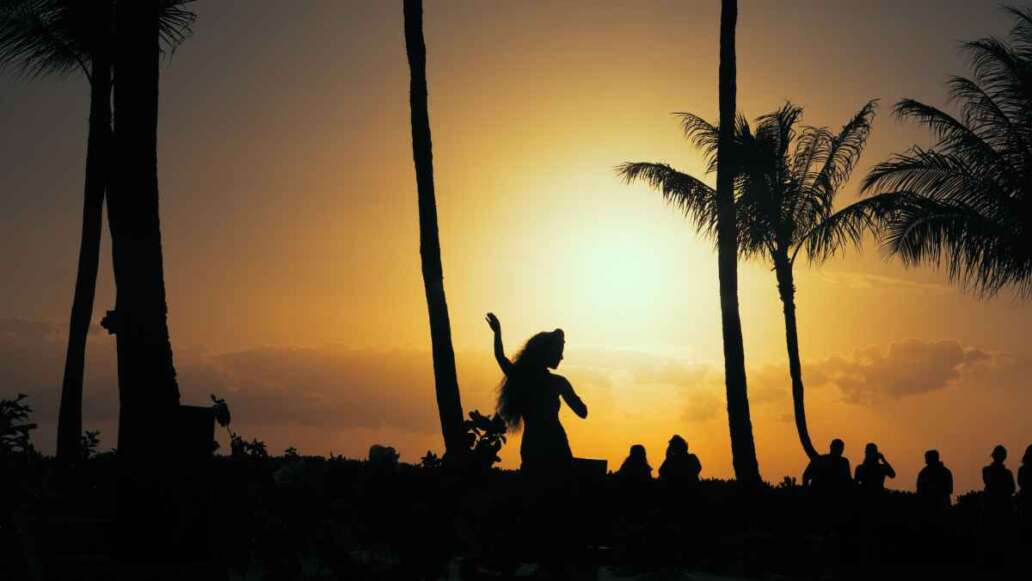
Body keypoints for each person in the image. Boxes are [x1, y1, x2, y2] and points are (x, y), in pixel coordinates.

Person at [487, 312, 587, 479]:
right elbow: (583, 412)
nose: (561, 357)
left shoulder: (522, 377)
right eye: (559, 352)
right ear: (547, 353)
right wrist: (573, 396)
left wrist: (497, 333)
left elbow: (500, 357)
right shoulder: (558, 382)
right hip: (555, 443)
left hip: (533, 443)